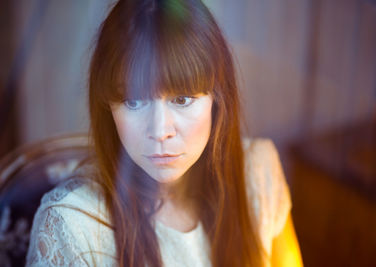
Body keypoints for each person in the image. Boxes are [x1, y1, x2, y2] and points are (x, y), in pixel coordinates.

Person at [26, 0, 303, 266]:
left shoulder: (256, 172)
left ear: (217, 100)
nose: (160, 131)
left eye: (182, 99)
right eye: (134, 102)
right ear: (107, 108)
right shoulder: (73, 228)